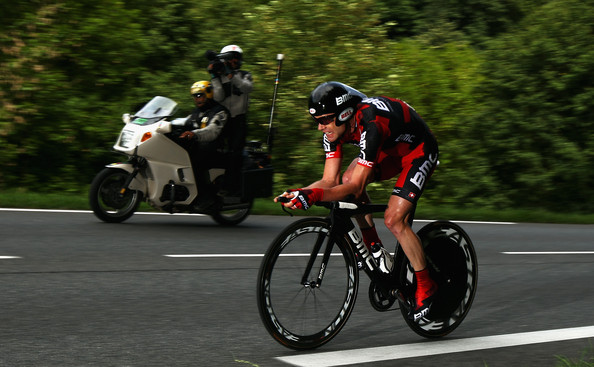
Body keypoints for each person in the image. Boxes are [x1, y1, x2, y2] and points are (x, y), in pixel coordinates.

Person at [275, 81, 439, 322]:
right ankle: (375, 247)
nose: (321, 127)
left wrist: (314, 196)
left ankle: (427, 285)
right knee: (347, 176)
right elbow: (329, 181)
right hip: (390, 150)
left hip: (419, 151)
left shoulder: (371, 123)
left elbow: (355, 189)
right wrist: (300, 192)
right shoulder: (334, 131)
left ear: (344, 113)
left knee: (394, 219)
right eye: (317, 121)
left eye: (325, 120)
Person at [207, 44, 253, 196]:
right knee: (210, 147)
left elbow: (246, 88)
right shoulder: (220, 76)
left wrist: (230, 75)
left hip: (239, 120)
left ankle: (230, 188)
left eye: (236, 59)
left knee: (235, 153)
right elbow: (218, 97)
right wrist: (215, 77)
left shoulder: (245, 75)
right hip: (223, 119)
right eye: (230, 59)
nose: (234, 61)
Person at [179, 80, 229, 210]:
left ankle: (205, 197)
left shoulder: (219, 112)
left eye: (200, 95)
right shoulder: (196, 113)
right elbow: (183, 122)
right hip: (201, 147)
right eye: (195, 96)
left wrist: (194, 134)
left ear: (209, 94)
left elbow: (212, 131)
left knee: (194, 160)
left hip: (217, 149)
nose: (197, 99)